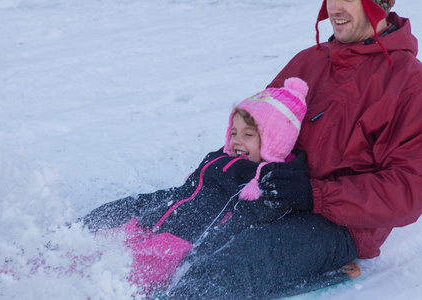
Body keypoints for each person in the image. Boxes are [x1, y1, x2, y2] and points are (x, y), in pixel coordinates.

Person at [164, 0, 422, 299]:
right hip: (268, 193)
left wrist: (315, 195)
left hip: (336, 223)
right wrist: (229, 161)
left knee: (231, 264)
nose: (334, 10)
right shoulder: (309, 61)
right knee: (163, 219)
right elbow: (259, 126)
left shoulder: (408, 82)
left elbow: (409, 189)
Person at [82, 78, 309, 294]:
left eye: (248, 134)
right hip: (155, 222)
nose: (236, 141)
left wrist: (199, 256)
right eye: (233, 132)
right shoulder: (222, 158)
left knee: (112, 277)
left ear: (275, 141)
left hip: (175, 247)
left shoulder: (265, 181)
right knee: (93, 249)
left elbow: (241, 223)